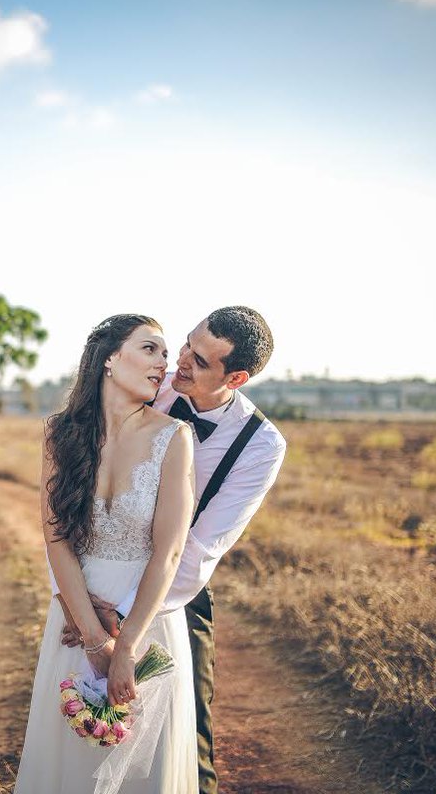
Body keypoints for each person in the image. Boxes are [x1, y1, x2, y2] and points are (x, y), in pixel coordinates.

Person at [60, 306, 288, 794]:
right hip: (95, 579)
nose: (179, 361)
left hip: (174, 596)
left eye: (201, 361)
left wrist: (119, 618)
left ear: (238, 377)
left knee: (187, 731)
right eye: (186, 343)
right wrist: (85, 607)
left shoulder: (260, 444)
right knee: (77, 716)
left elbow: (199, 548)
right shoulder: (149, 382)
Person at [14, 314, 198, 793]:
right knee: (70, 763)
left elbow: (169, 552)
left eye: (165, 352)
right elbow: (56, 539)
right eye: (151, 349)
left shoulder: (173, 437)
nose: (165, 364)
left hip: (145, 617)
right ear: (109, 359)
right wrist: (95, 640)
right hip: (77, 618)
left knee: (143, 769)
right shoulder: (61, 433)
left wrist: (125, 649)